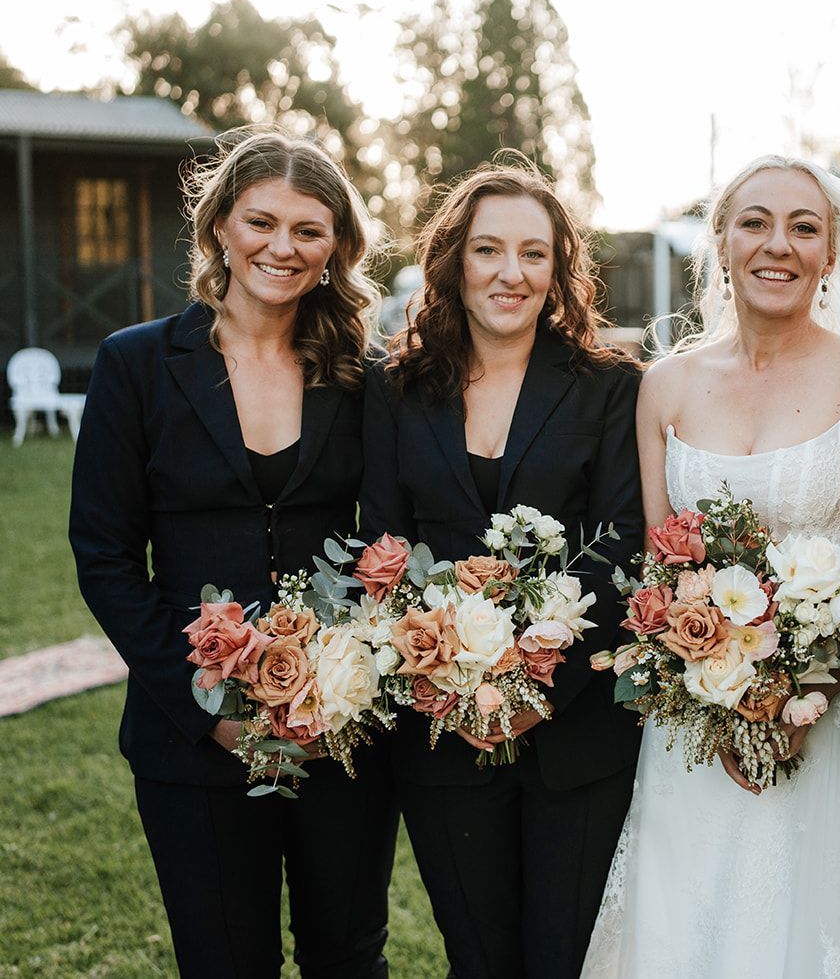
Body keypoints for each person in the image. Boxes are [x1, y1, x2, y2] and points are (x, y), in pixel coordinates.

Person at [582, 156, 840, 978]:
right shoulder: (665, 386)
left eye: (805, 227)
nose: (780, 244)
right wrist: (726, 699)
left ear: (831, 255)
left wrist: (805, 693)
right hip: (697, 724)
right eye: (756, 222)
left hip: (832, 723)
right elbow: (662, 580)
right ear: (722, 243)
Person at [68, 127, 397, 977]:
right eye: (261, 221)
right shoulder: (136, 364)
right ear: (219, 225)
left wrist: (344, 686)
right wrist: (207, 707)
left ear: (335, 249)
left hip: (342, 738)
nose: (281, 247)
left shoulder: (367, 372)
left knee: (348, 956)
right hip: (192, 744)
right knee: (223, 961)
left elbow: (397, 534)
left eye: (309, 230)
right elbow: (104, 554)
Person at [361, 160, 644, 979]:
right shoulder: (396, 388)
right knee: (478, 959)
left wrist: (533, 691)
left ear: (559, 269)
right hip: (443, 731)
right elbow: (385, 546)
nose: (510, 273)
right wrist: (451, 683)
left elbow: (624, 542)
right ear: (452, 261)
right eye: (488, 250)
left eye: (533, 253)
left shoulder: (610, 387)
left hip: (578, 735)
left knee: (566, 960)